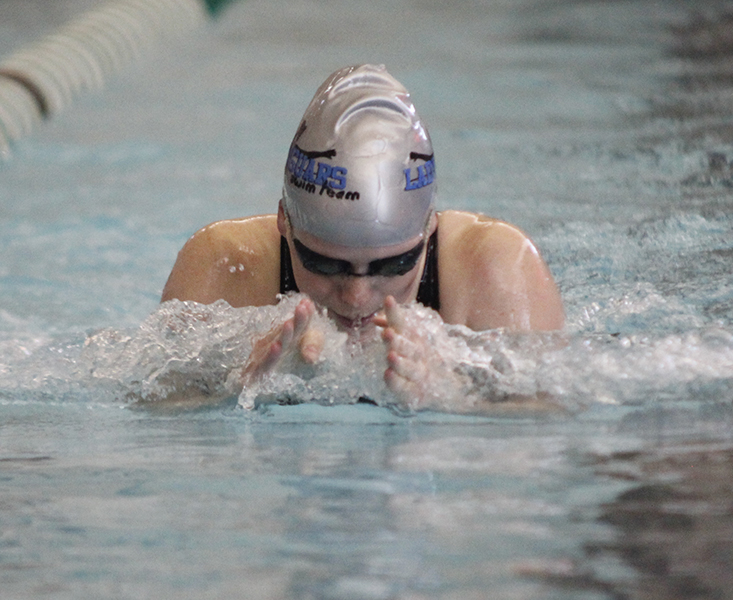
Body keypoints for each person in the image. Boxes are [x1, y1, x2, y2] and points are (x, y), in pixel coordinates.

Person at [161, 64, 564, 408]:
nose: (357, 298)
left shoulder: (497, 269)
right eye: (325, 263)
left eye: (393, 264)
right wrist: (243, 388)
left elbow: (549, 428)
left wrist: (449, 393)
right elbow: (159, 419)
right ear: (285, 223)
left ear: (429, 227)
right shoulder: (224, 265)